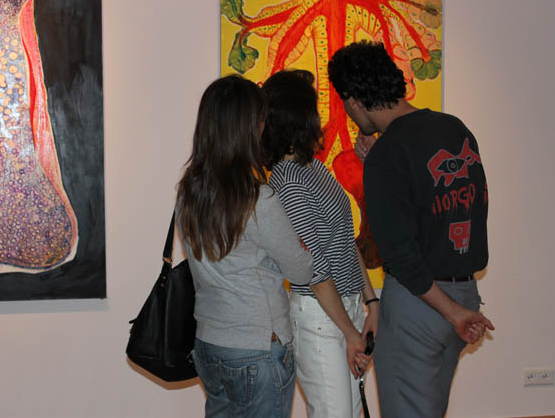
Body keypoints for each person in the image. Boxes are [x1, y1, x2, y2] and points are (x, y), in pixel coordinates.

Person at [328, 40, 494, 418]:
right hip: (465, 292)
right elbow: (465, 206)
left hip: (421, 305)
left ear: (353, 100)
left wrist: (452, 313)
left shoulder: (388, 154)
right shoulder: (455, 129)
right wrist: (458, 309)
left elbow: (401, 253)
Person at [176, 74, 314, 418]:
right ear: (248, 127)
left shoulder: (188, 193)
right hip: (256, 346)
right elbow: (301, 270)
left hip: (210, 343)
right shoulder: (258, 199)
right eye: (260, 119)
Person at [261, 69, 379, 418]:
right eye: (313, 107)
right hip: (320, 318)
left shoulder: (312, 166)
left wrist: (371, 302)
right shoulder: (286, 181)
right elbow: (314, 269)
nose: (319, 115)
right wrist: (351, 333)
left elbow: (344, 239)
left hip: (347, 309)